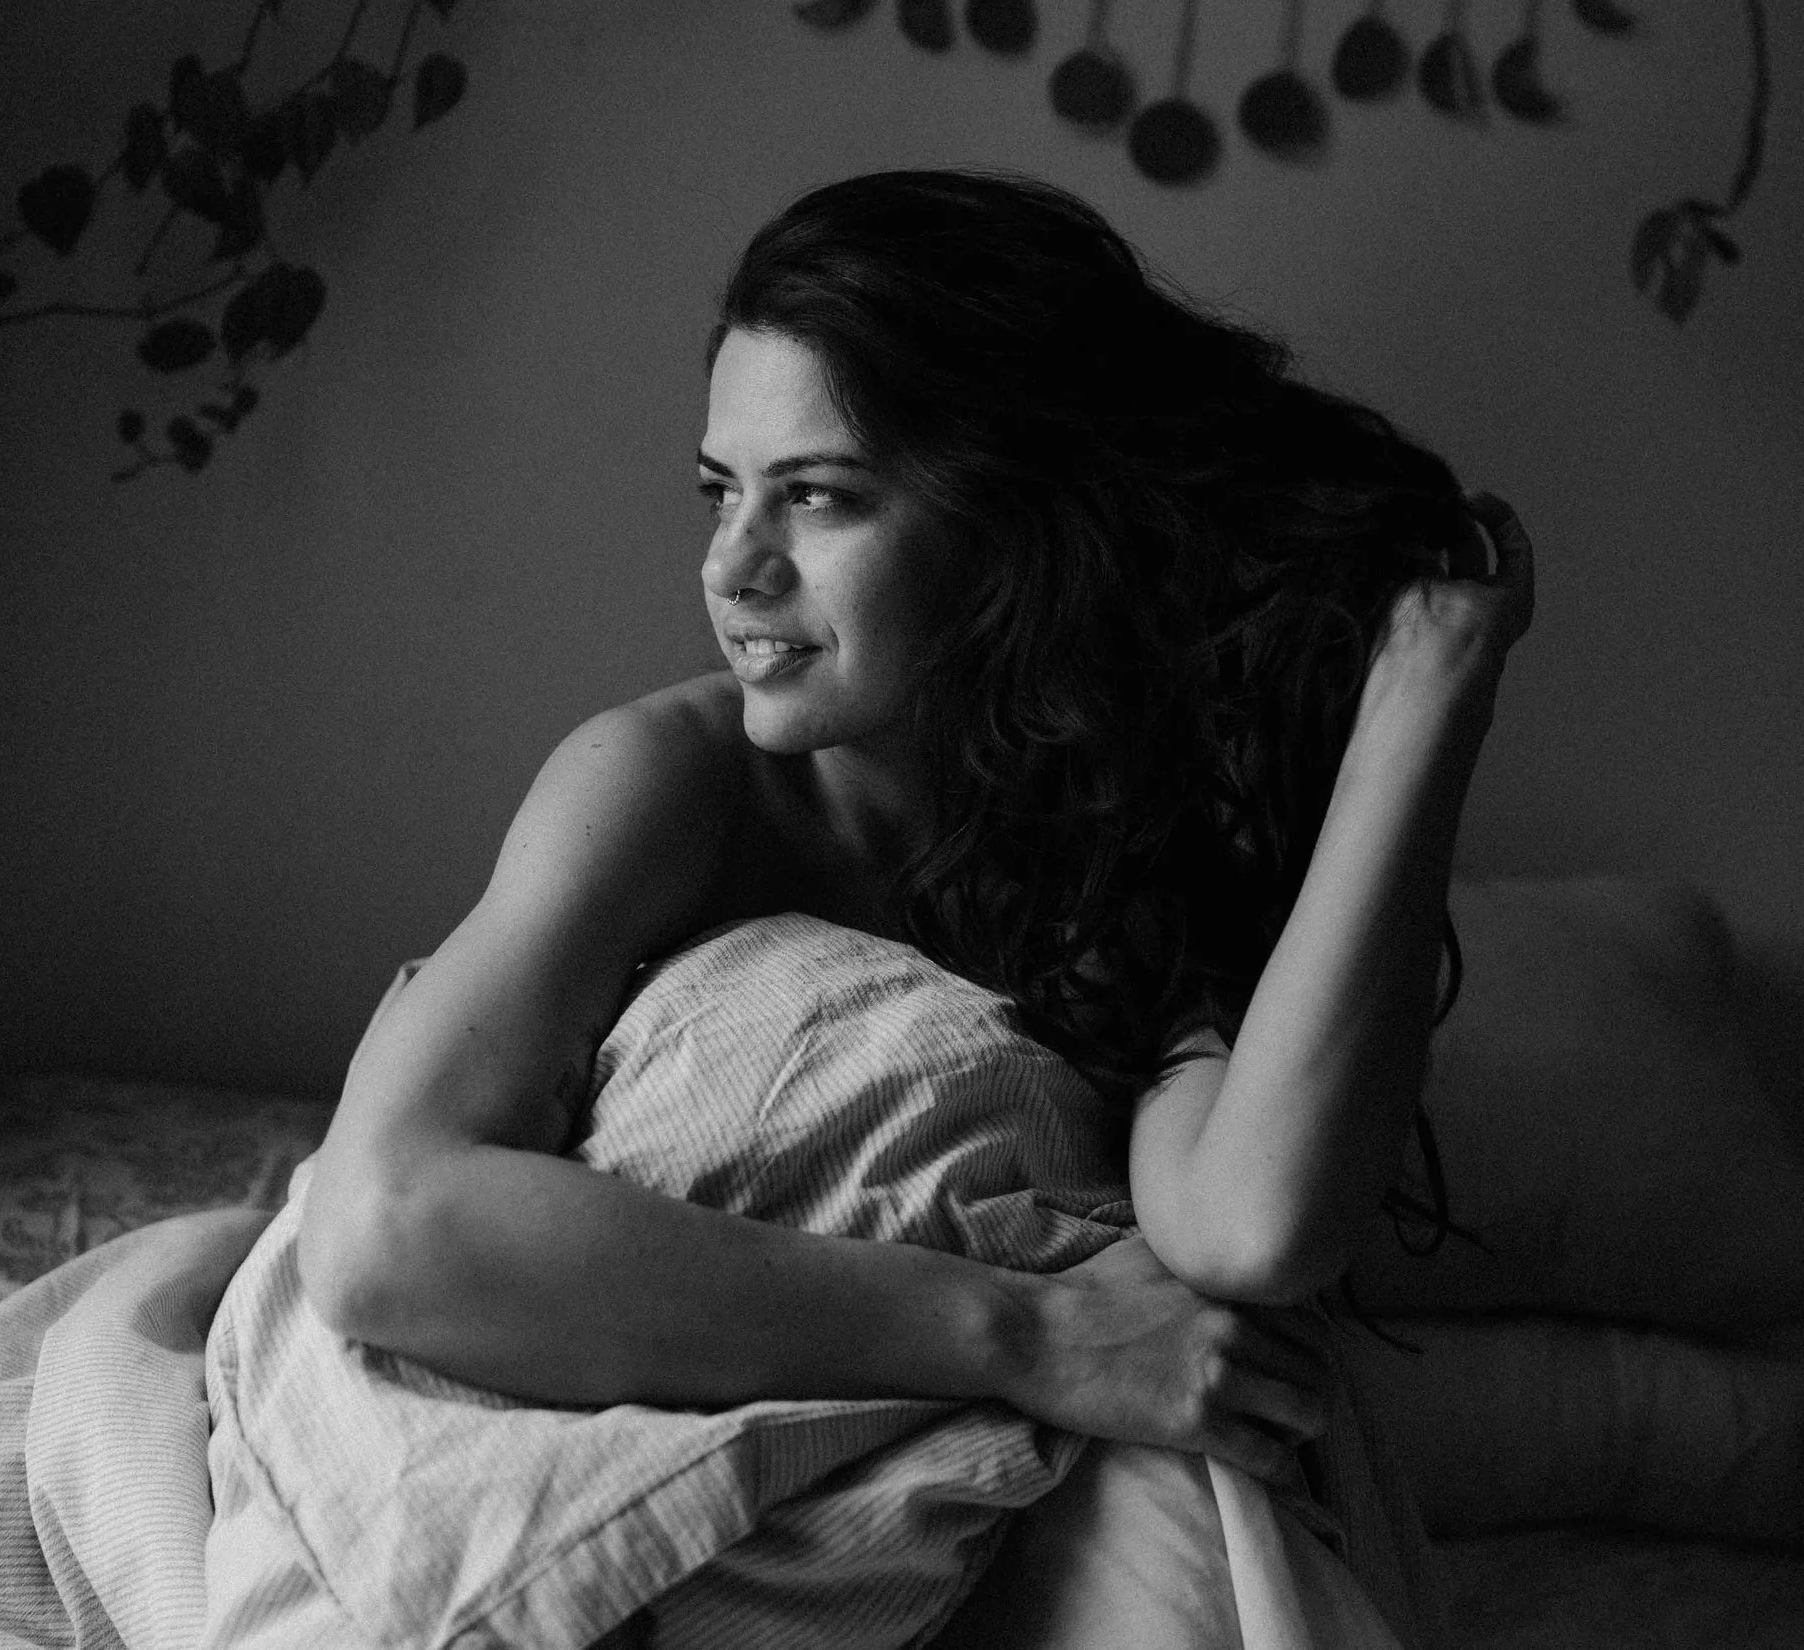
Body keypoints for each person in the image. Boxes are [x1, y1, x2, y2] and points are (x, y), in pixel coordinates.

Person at [297, 168, 1532, 1494]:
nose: (733, 563)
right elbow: (383, 1228)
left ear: (1011, 519)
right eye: (722, 490)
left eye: (818, 495)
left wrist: (1432, 682)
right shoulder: (665, 784)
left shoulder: (1116, 854)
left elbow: (1254, 1227)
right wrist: (1028, 1333)